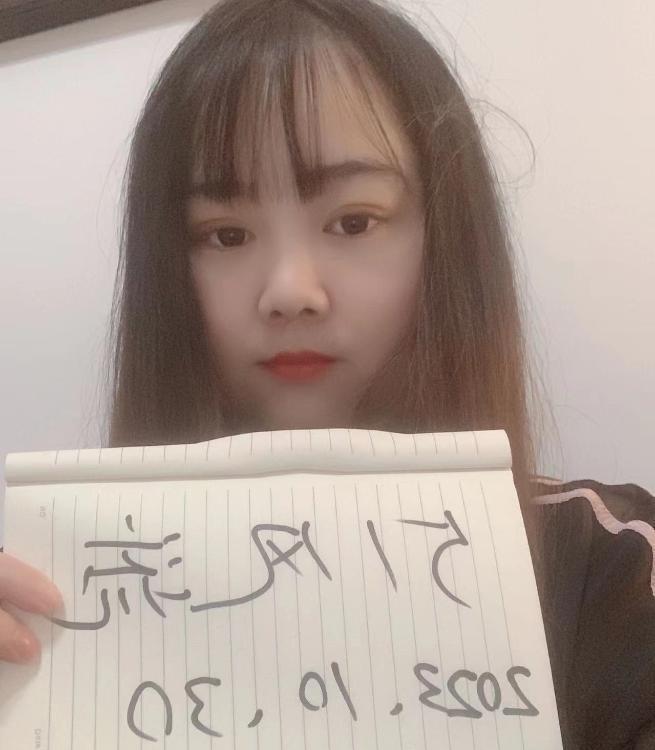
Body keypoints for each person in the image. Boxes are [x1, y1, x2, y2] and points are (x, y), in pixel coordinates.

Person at [1, 0, 653, 747]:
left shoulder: (608, 565)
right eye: (226, 234)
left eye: (353, 221)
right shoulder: (53, 594)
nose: (289, 291)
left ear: (446, 239)